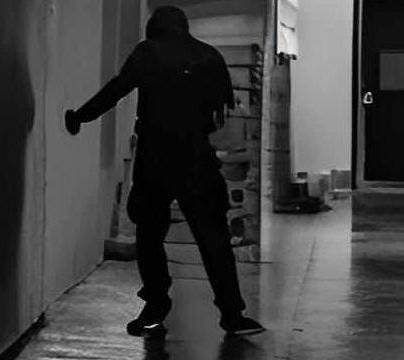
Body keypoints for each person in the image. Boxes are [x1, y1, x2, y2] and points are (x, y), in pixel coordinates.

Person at [64, 6, 264, 337]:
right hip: (197, 157)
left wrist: (80, 117)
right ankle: (232, 313)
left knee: (150, 234)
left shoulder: (148, 52)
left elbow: (116, 90)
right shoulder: (209, 56)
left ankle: (155, 305)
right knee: (213, 237)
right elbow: (219, 116)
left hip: (156, 156)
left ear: (154, 28)